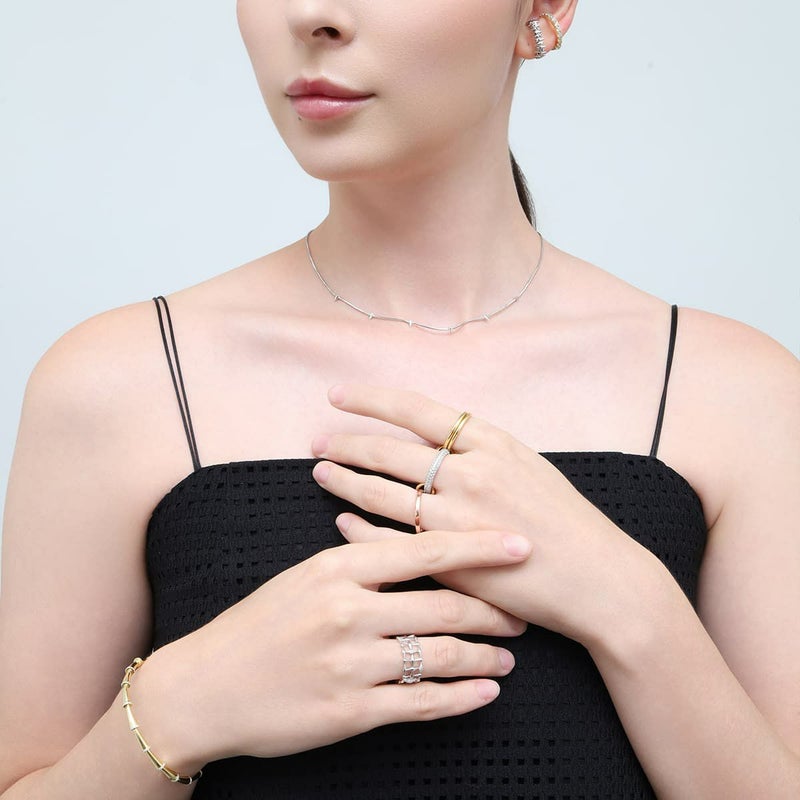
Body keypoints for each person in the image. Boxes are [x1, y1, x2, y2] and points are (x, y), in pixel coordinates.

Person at [1, 2, 798, 798]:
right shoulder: (120, 383)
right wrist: (180, 708)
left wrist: (634, 609)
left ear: (544, 9)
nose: (312, 14)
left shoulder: (733, 392)